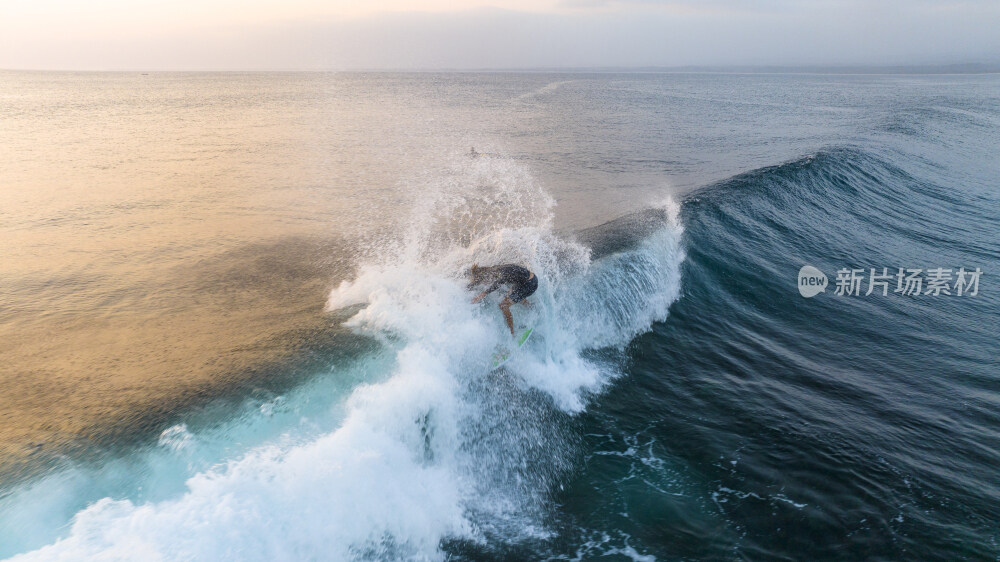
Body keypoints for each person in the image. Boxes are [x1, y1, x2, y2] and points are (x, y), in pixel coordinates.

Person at [467, 264, 537, 336]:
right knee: (510, 294)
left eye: (483, 281)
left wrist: (484, 293)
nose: (485, 283)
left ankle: (512, 333)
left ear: (485, 275)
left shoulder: (498, 273)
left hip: (529, 285)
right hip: (531, 279)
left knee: (503, 305)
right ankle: (531, 307)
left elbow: (500, 282)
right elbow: (511, 274)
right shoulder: (495, 267)